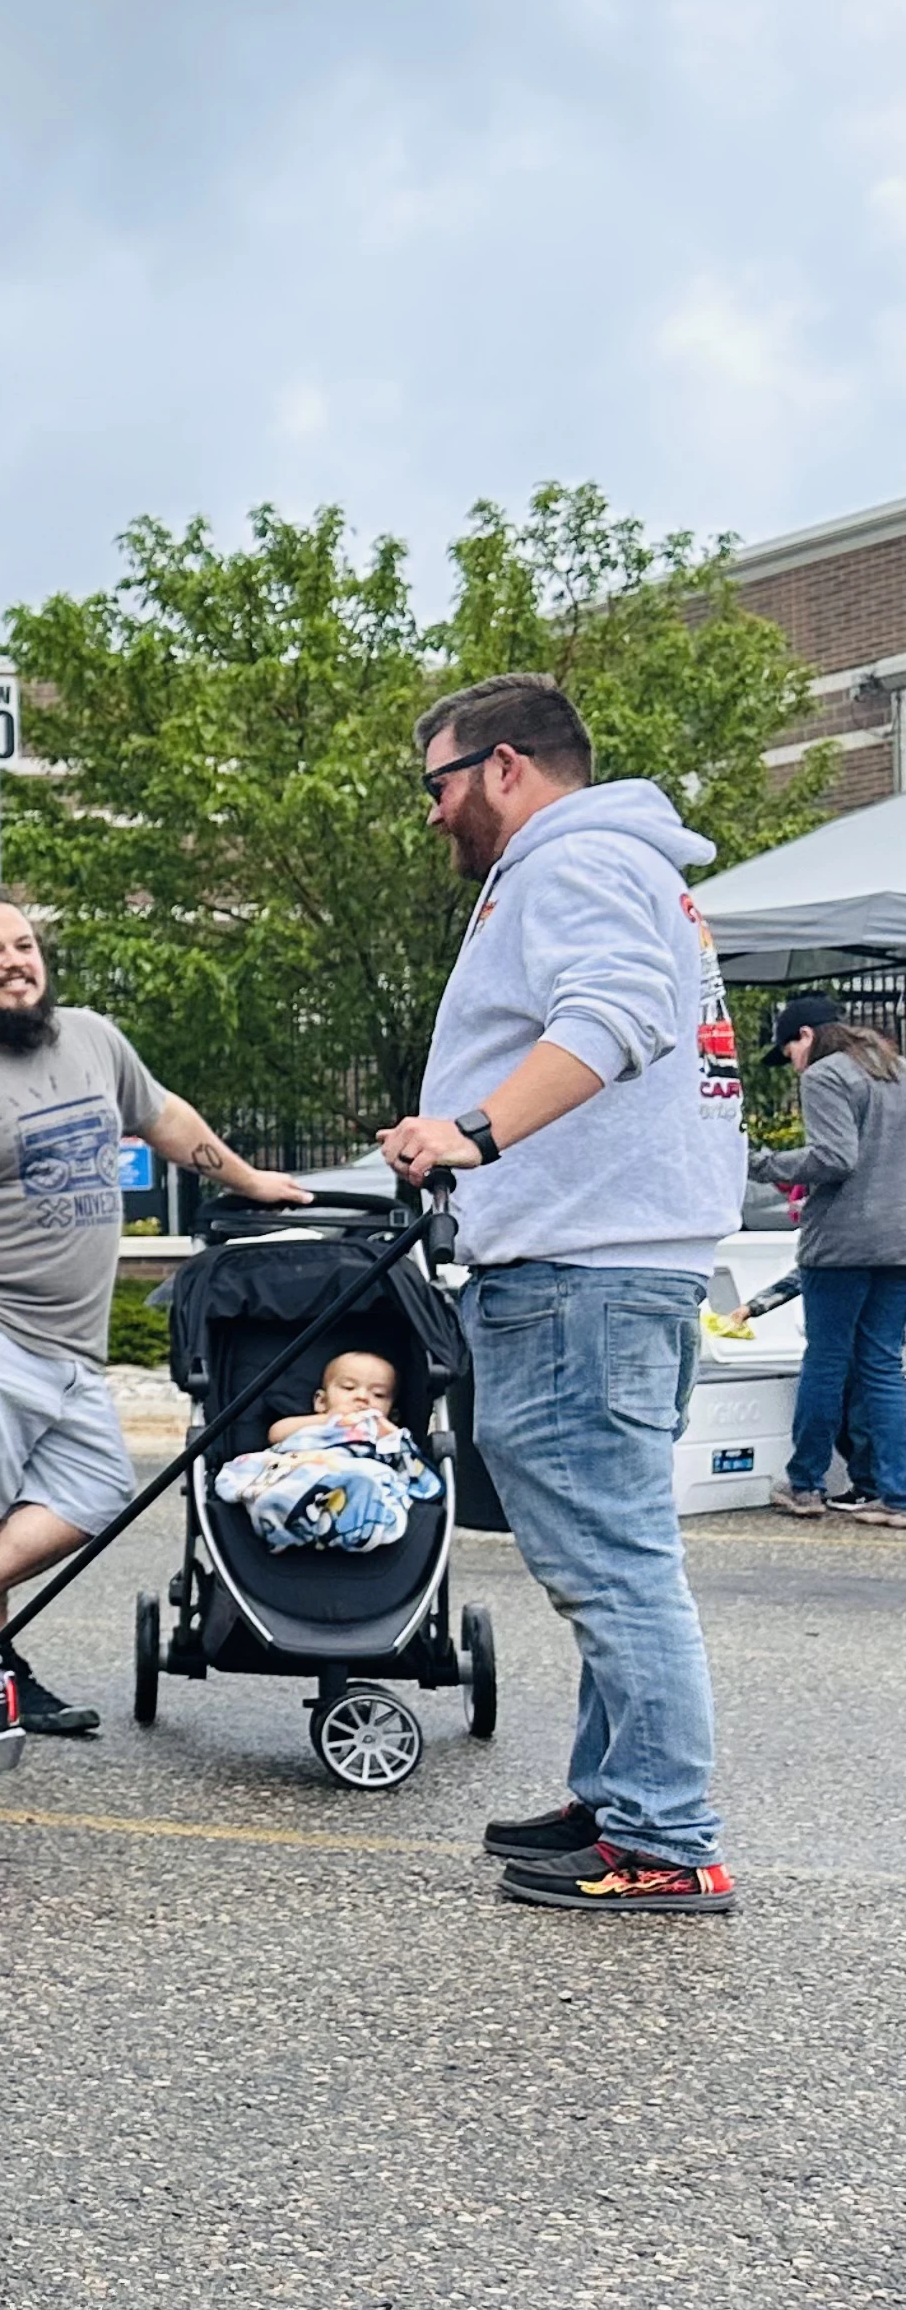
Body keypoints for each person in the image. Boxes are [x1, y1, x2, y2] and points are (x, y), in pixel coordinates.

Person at [380, 674, 742, 1914]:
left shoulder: (570, 864)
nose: (432, 814)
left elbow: (617, 1015)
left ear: (503, 767)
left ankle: (662, 1835)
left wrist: (473, 1133)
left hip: (582, 1269)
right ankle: (620, 1795)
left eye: (437, 783)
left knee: (613, 1560)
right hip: (623, 1259)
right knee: (614, 1547)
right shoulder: (628, 865)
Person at [0, 893, 307, 1733]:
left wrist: (250, 1181)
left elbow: (164, 1115)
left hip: (70, 1337)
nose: (14, 962)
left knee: (101, 1489)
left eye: (23, 945)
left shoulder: (92, 1038)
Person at [752, 995, 906, 1528]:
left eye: (788, 1048)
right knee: (884, 1366)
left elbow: (835, 1158)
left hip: (841, 1243)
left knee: (826, 1360)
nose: (791, 1060)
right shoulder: (896, 1069)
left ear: (807, 1036)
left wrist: (762, 1163)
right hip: (899, 1242)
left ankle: (806, 1484)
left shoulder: (825, 1076)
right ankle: (895, 1495)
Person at [211, 1349, 440, 1554]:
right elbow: (276, 1434)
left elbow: (409, 1464)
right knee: (285, 1475)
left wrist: (389, 1432)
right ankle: (283, 1510)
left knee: (369, 1479)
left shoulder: (383, 1433)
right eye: (349, 1388)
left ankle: (353, 1521)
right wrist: (328, 1419)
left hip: (358, 1469)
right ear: (321, 1401)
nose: (362, 1397)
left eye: (378, 1395)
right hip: (306, 1464)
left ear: (393, 1412)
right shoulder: (319, 1421)